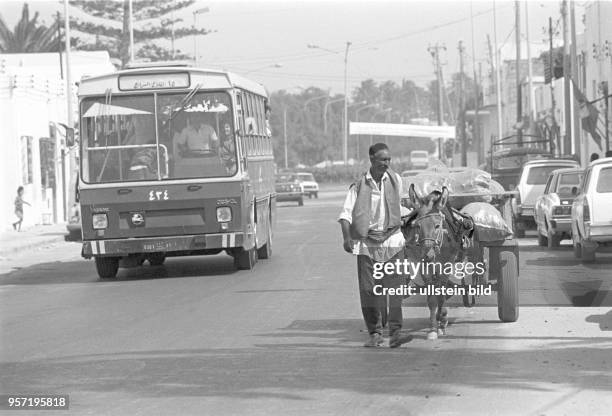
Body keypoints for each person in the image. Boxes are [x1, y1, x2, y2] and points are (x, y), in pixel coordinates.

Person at [338, 143, 411, 348]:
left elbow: (402, 205)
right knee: (369, 290)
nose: (386, 164)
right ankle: (375, 333)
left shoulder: (396, 180)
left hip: (393, 241)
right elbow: (345, 215)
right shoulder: (359, 185)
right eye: (382, 160)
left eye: (388, 160)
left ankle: (396, 332)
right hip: (367, 243)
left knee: (395, 289)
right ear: (371, 159)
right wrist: (346, 238)